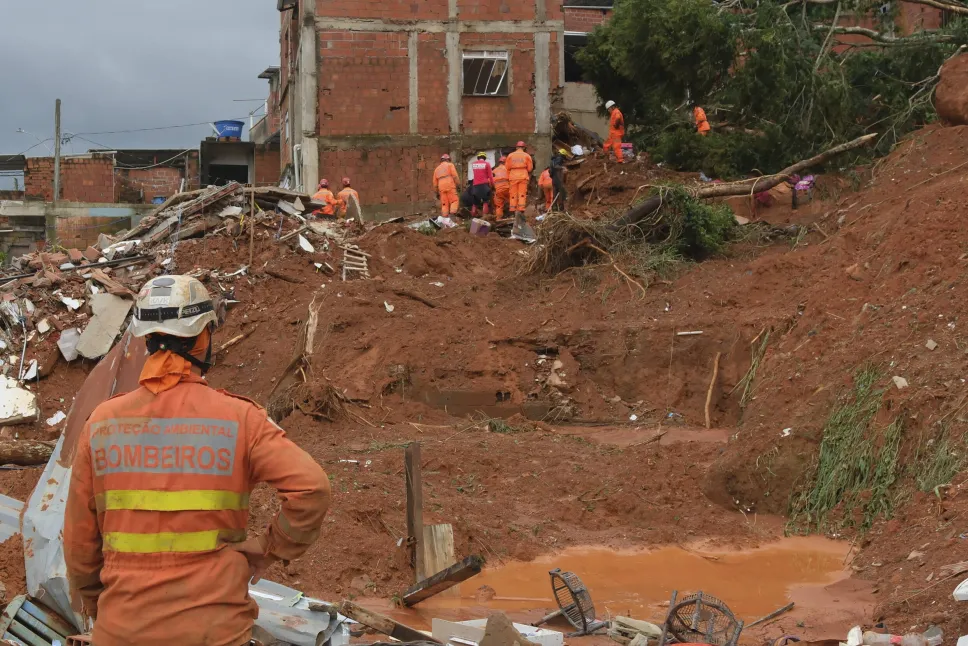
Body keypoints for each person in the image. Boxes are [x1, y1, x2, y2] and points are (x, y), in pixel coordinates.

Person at [64, 275, 331, 646]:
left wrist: (104, 609)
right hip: (214, 631)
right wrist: (268, 547)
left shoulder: (102, 424)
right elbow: (311, 488)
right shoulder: (240, 419)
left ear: (146, 339)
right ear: (203, 337)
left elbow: (79, 544)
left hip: (122, 630)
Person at [505, 141, 534, 217]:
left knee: (513, 194)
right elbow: (530, 168)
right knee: (522, 194)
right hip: (523, 176)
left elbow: (507, 167)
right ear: (524, 148)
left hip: (513, 176)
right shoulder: (527, 156)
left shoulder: (510, 155)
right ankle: (521, 210)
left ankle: (512, 210)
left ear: (516, 147)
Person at [469, 152, 494, 218]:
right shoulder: (487, 164)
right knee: (485, 201)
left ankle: (473, 216)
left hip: (475, 185)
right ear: (484, 157)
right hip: (484, 185)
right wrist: (493, 185)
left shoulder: (473, 164)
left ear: (478, 157)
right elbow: (490, 176)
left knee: (475, 202)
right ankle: (485, 216)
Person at [492, 155, 510, 220]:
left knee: (499, 206)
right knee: (514, 202)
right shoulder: (508, 169)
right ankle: (515, 217)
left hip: (498, 191)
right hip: (508, 189)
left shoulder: (494, 171)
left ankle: (498, 219)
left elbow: (490, 182)